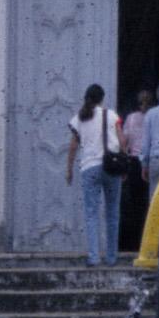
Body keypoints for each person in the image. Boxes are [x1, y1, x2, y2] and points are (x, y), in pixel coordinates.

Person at [64, 83, 124, 268]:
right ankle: (112, 258)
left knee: (91, 213)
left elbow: (73, 145)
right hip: (111, 167)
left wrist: (69, 169)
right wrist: (124, 165)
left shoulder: (79, 118)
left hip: (89, 168)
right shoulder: (111, 115)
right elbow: (121, 141)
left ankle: (94, 257)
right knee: (112, 213)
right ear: (102, 99)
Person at [118, 84, 154, 255]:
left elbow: (124, 142)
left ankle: (136, 243)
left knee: (135, 205)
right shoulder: (154, 117)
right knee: (150, 204)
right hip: (150, 162)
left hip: (134, 163)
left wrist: (124, 164)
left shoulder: (131, 118)